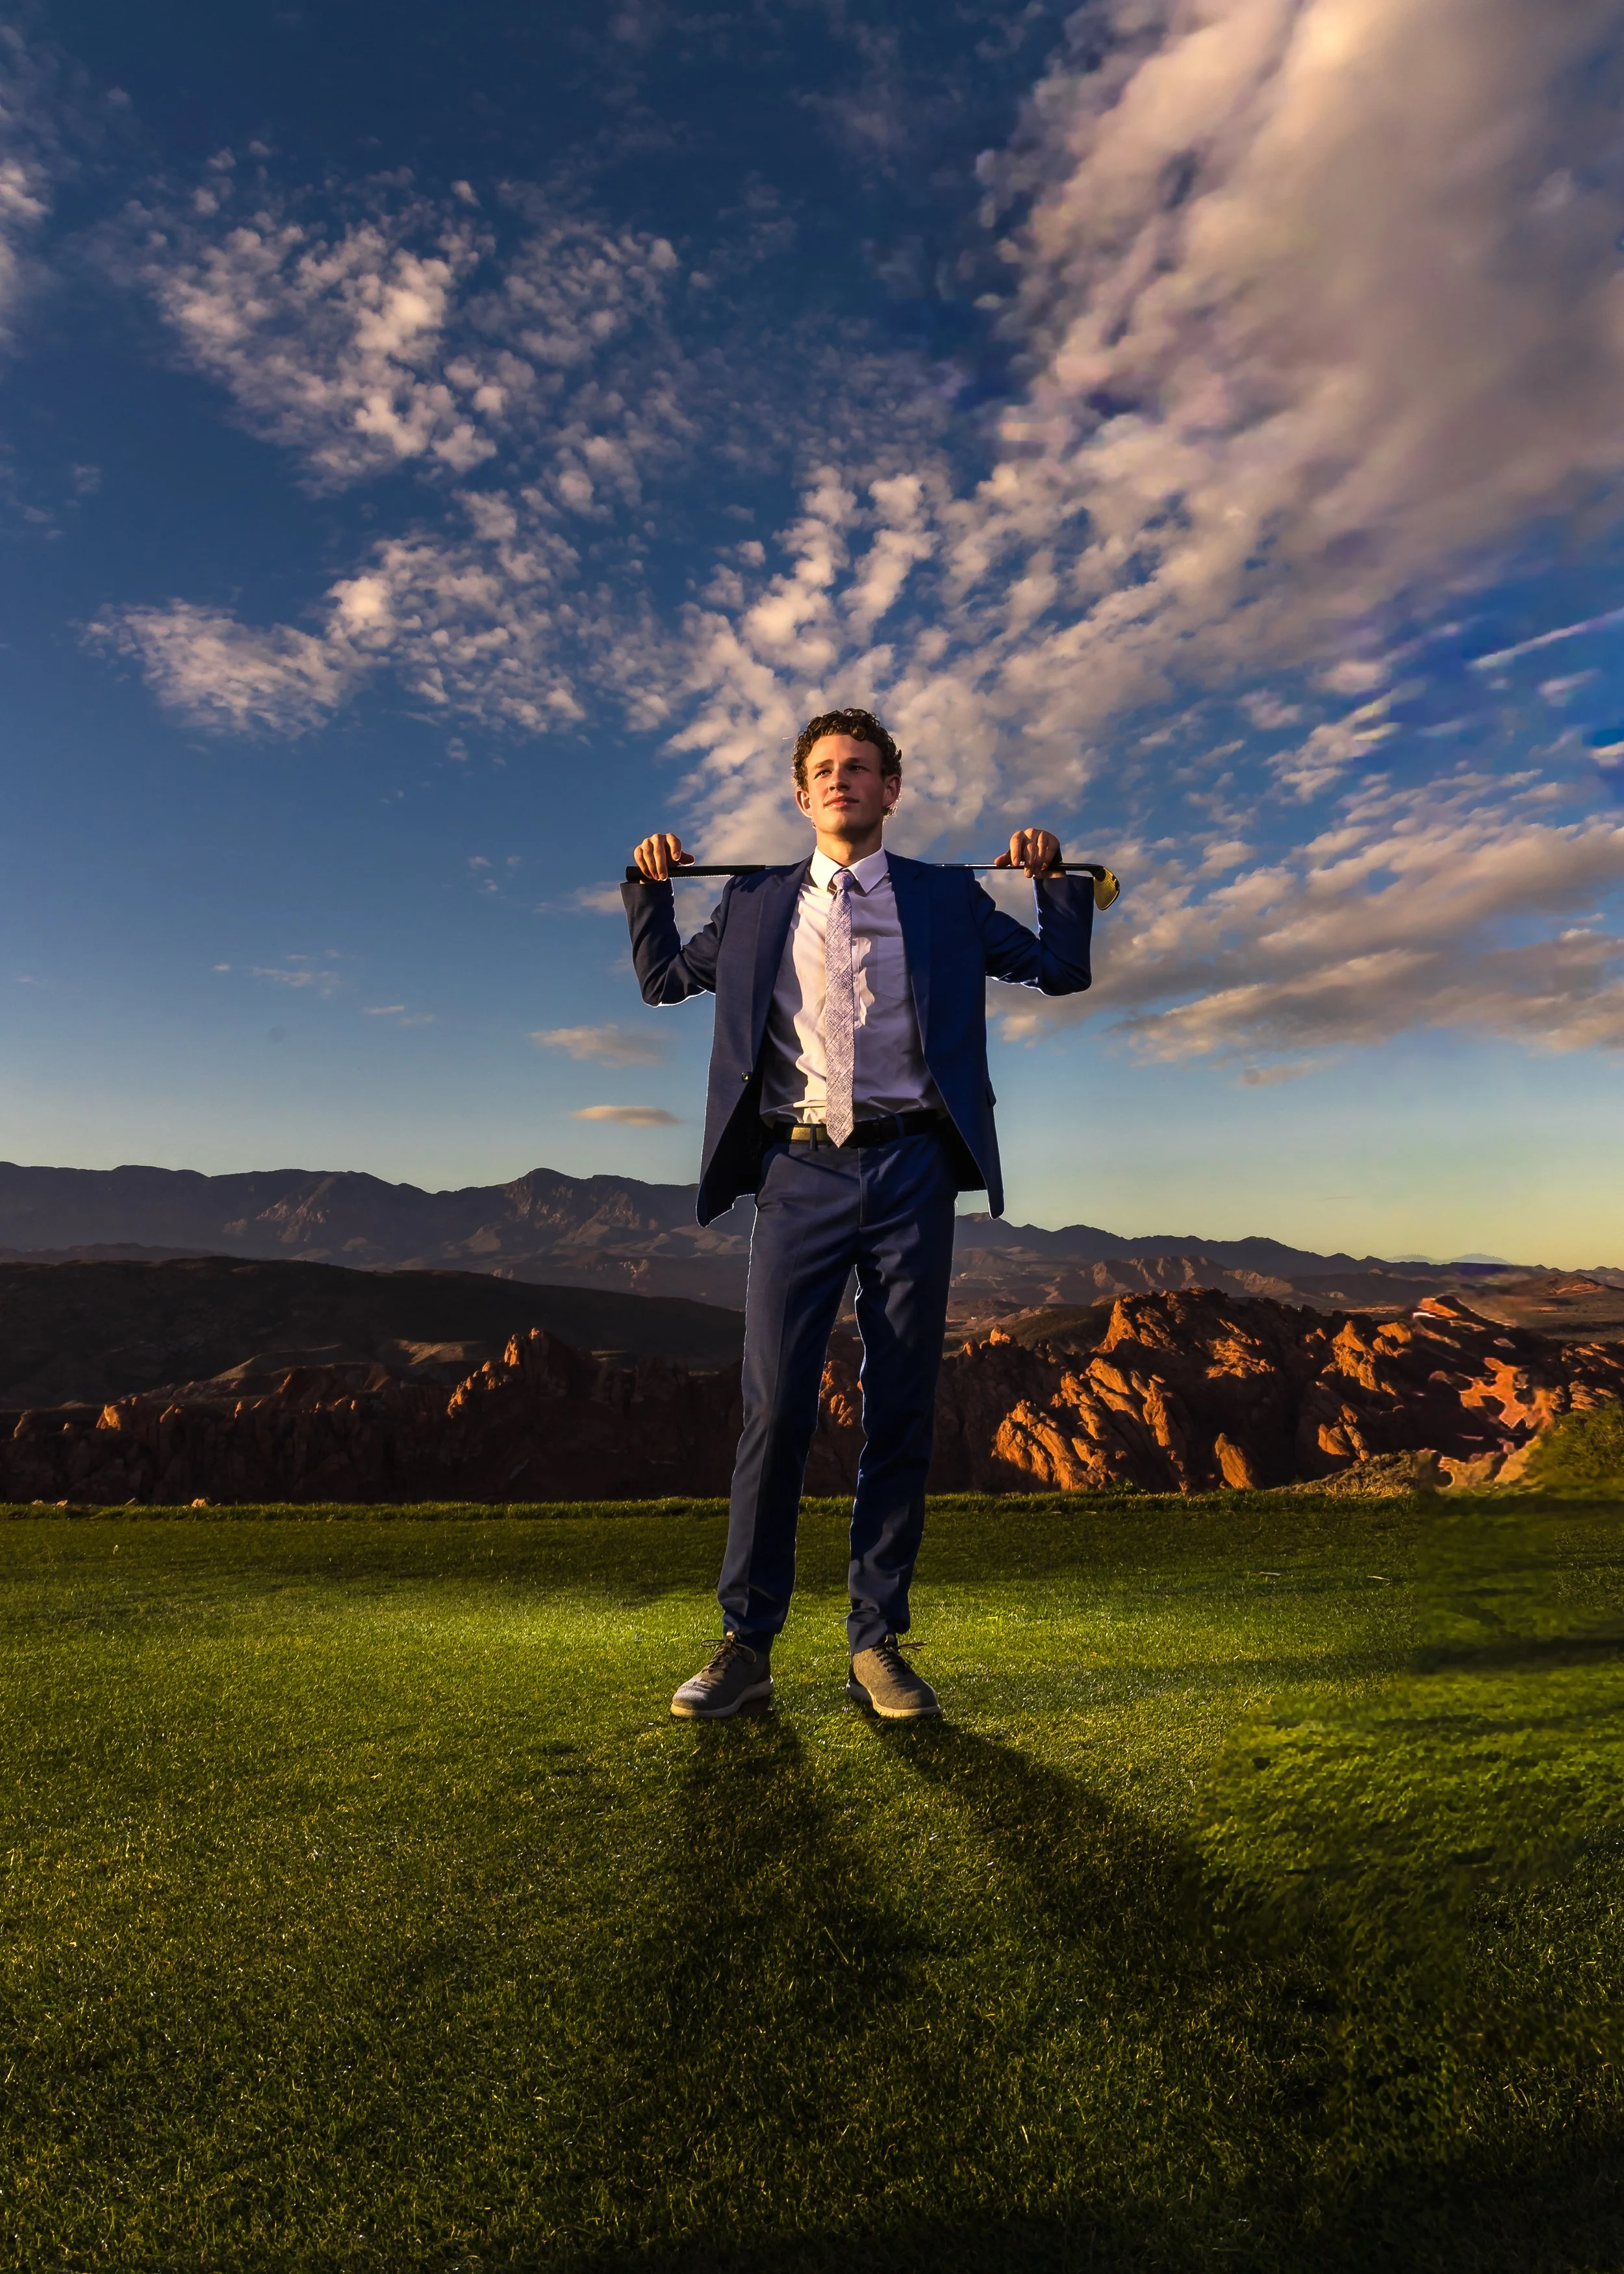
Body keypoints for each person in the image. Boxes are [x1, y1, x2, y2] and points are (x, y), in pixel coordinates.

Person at [625, 708, 1093, 1721]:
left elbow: (1059, 971)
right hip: (797, 1172)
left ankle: (876, 1642)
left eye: (862, 767)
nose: (843, 779)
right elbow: (662, 982)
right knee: (777, 1407)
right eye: (826, 769)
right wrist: (648, 886)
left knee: (902, 1408)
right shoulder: (752, 902)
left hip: (913, 1166)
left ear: (891, 791)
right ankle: (747, 1645)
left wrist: (1053, 878)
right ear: (803, 796)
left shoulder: (945, 897)